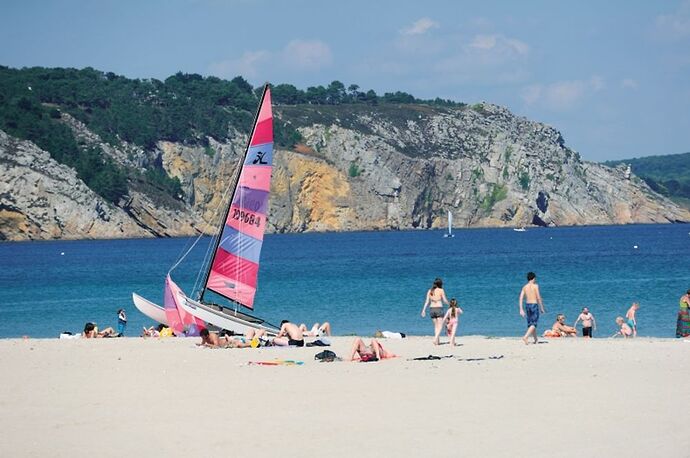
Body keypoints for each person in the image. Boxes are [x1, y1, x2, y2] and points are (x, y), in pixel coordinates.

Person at [420, 278, 450, 345]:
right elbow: (444, 300)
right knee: (440, 326)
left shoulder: (430, 291)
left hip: (432, 309)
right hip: (439, 308)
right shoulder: (441, 290)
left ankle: (437, 342)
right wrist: (450, 304)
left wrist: (423, 310)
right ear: (440, 284)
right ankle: (435, 338)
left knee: (436, 326)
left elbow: (427, 302)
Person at [519, 272, 545, 345]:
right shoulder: (535, 286)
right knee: (534, 324)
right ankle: (526, 337)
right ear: (533, 278)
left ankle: (536, 339)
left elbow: (521, 298)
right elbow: (538, 297)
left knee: (531, 324)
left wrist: (521, 309)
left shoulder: (524, 287)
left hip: (527, 305)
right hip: (534, 305)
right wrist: (542, 308)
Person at [198, 328, 266, 348]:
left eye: (204, 338)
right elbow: (203, 343)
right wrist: (200, 345)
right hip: (238, 341)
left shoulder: (213, 336)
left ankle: (262, 336)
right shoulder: (205, 338)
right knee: (251, 332)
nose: (203, 340)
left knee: (252, 342)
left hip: (235, 341)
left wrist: (208, 345)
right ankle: (260, 334)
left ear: (207, 335)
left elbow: (217, 346)